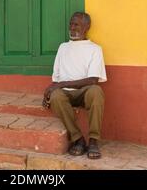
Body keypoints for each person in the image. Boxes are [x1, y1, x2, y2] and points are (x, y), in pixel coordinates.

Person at [43, 12, 107, 159]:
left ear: (87, 27)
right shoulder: (63, 48)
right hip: (65, 92)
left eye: (76, 24)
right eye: (71, 24)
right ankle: (78, 139)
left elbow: (93, 80)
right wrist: (50, 92)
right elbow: (56, 79)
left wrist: (61, 84)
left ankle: (93, 140)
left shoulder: (94, 49)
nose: (72, 27)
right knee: (56, 96)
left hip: (85, 92)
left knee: (96, 91)